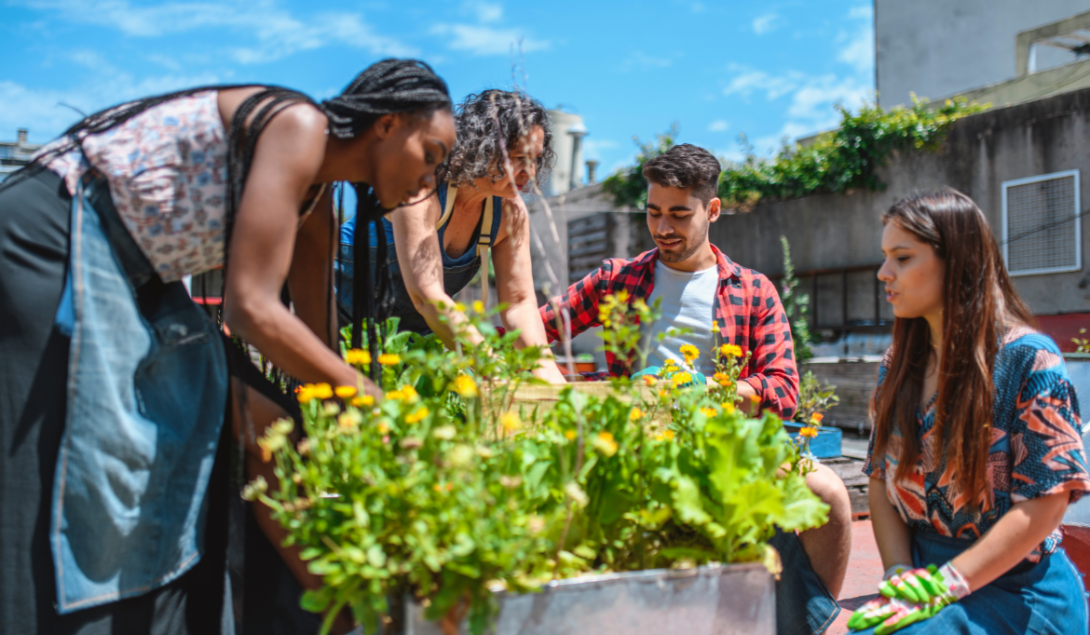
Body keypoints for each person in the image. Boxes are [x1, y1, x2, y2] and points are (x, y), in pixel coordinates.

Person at [0, 58, 455, 635]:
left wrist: (337, 422)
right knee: (87, 465)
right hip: (54, 241)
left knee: (265, 423)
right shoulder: (297, 126)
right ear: (387, 125)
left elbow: (314, 340)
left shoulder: (316, 197)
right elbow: (250, 307)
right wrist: (372, 401)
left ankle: (349, 614)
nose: (429, 182)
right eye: (432, 155)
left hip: (138, 275)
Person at [540, 143, 852, 635]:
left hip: (732, 444)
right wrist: (573, 392)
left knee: (829, 493)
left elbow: (784, 388)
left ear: (712, 211)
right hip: (635, 441)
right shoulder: (616, 281)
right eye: (654, 212)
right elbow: (531, 331)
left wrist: (714, 388)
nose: (663, 228)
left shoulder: (752, 289)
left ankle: (804, 622)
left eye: (680, 215)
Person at [848, 189, 1090, 635]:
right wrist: (898, 571)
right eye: (885, 257)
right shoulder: (897, 364)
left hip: (1015, 586)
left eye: (902, 258)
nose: (884, 273)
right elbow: (880, 478)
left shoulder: (1029, 361)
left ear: (956, 262)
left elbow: (1047, 502)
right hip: (924, 574)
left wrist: (948, 585)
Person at [337, 89, 566, 383]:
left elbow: (520, 305)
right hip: (337, 318)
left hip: (409, 339)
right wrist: (491, 366)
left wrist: (553, 383)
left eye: (535, 159)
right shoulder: (421, 187)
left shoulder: (510, 212)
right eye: (519, 158)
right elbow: (426, 296)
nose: (529, 172)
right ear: (482, 147)